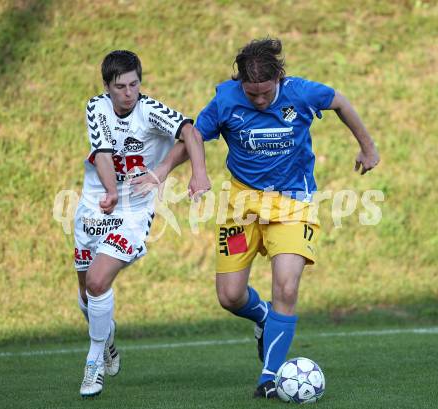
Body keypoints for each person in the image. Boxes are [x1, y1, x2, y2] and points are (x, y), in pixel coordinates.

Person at [131, 38, 379, 399]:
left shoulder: (302, 93)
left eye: (265, 93)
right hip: (240, 205)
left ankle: (270, 376)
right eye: (252, 94)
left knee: (287, 286)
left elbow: (339, 101)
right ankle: (264, 318)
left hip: (294, 203)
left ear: (279, 77)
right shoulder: (228, 99)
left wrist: (367, 147)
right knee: (230, 296)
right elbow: (195, 135)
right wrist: (163, 171)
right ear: (241, 85)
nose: (259, 100)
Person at [73, 50, 210, 398]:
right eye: (120, 86)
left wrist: (198, 174)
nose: (129, 92)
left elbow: (191, 133)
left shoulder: (151, 111)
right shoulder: (96, 107)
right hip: (95, 205)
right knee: (86, 296)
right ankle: (106, 340)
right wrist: (109, 192)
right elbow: (103, 154)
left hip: (134, 209)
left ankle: (92, 364)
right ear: (107, 87)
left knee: (98, 280)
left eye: (134, 84)